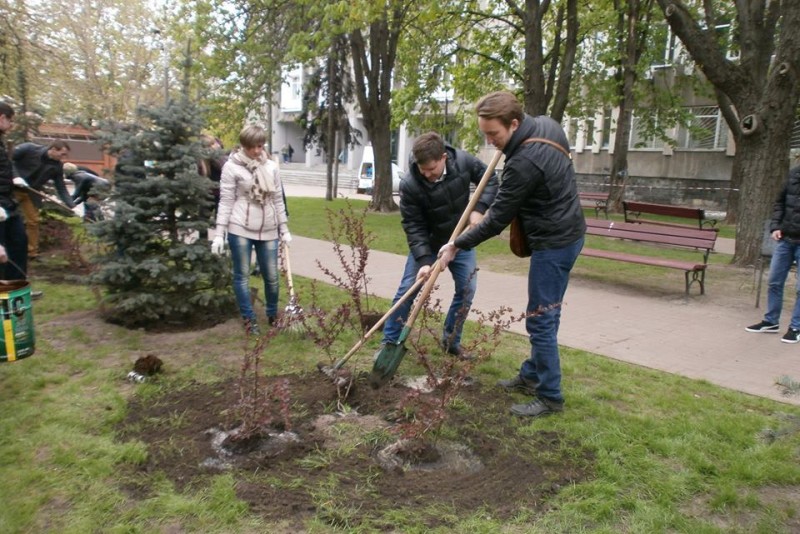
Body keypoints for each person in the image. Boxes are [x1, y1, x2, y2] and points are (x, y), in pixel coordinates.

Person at [438, 91, 586, 418]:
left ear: (515, 123)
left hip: (555, 242)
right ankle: (532, 374)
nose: (490, 142)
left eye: (495, 134)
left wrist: (456, 244)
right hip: (571, 231)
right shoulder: (548, 125)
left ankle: (550, 397)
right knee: (545, 312)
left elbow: (496, 220)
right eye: (486, 134)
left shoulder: (523, 162)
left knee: (541, 319)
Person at [380, 131, 498, 359]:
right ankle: (389, 343)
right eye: (422, 169)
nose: (426, 174)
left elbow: (491, 179)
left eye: (431, 169)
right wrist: (425, 261)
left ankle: (451, 341)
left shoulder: (463, 161)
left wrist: (479, 209)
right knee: (408, 290)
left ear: (444, 157)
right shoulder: (411, 184)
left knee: (467, 290)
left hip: (460, 240)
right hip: (429, 243)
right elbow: (413, 226)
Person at [211, 125, 291, 336]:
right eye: (251, 147)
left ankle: (273, 315)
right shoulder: (231, 166)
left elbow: (277, 199)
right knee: (242, 276)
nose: (256, 151)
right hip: (240, 227)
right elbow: (226, 201)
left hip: (268, 228)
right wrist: (219, 233)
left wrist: (284, 228)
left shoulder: (271, 167)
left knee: (272, 276)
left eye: (259, 146)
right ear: (243, 146)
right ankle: (249, 320)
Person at [746, 161, 800, 343]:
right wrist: (775, 227)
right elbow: (780, 203)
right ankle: (771, 321)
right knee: (774, 281)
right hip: (785, 240)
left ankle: (795, 327)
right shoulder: (793, 175)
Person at [11, 139, 74, 259]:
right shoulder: (29, 149)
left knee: (33, 221)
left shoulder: (57, 166)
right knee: (4, 216)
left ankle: (31, 253)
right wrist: (16, 177)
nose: (64, 158)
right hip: (12, 188)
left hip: (31, 192)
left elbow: (61, 188)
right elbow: (7, 160)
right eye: (62, 154)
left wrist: (73, 206)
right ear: (54, 150)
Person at [0, 102, 27, 280]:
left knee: (18, 241)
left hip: (7, 202)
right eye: (10, 121)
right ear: (2, 118)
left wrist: (15, 177)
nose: (10, 126)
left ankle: (16, 285)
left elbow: (7, 165)